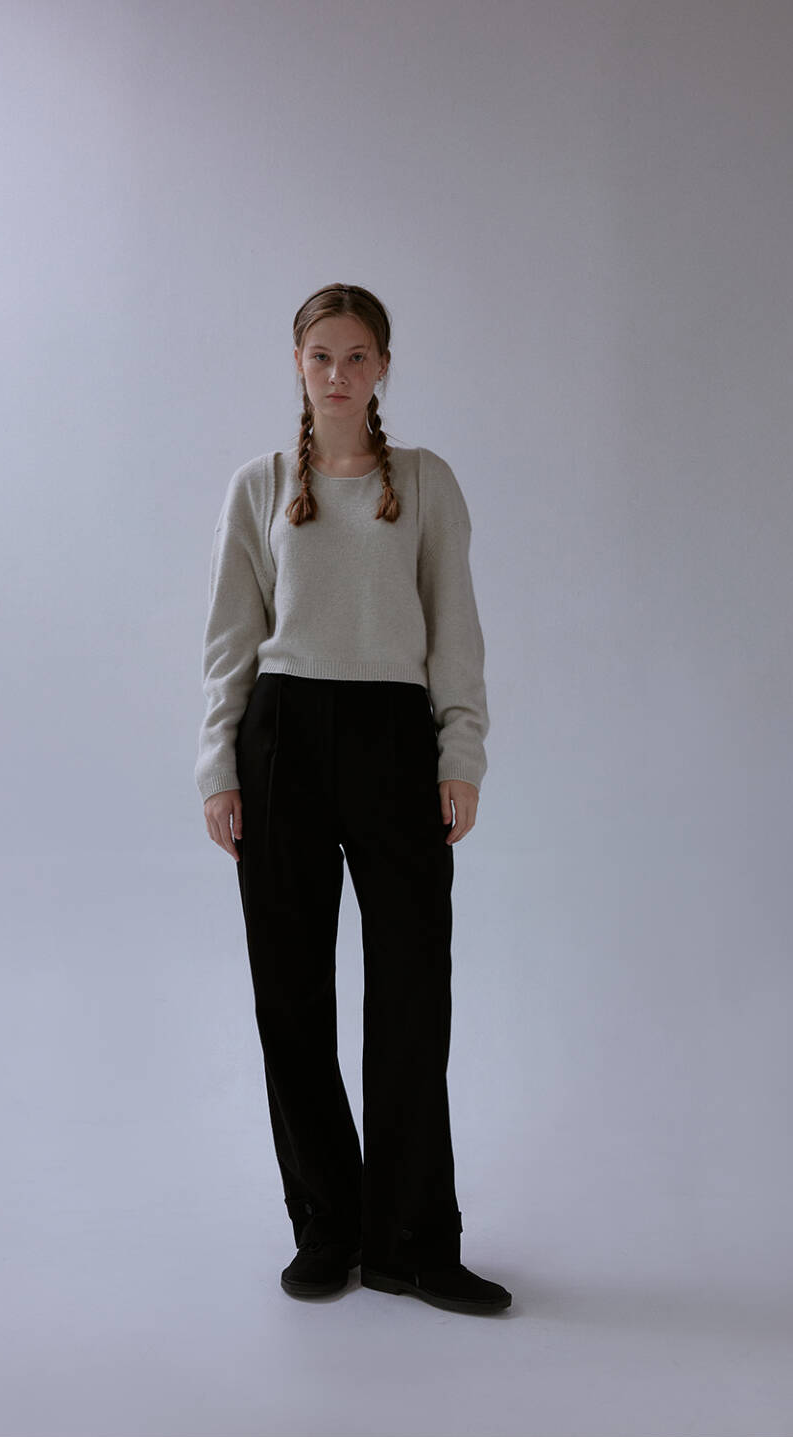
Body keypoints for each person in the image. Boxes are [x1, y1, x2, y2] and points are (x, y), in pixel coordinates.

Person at [196, 278, 511, 1318]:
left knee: (414, 990)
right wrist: (218, 768)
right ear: (299, 365)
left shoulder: (421, 482)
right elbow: (231, 640)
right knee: (290, 995)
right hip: (281, 737)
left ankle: (412, 1242)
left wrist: (460, 752)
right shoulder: (260, 485)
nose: (338, 374)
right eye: (321, 355)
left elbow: (455, 628)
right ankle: (326, 1228)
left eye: (357, 356)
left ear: (382, 367)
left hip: (394, 739)